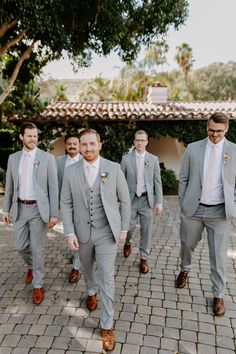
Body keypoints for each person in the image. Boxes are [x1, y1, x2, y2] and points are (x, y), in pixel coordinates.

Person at [60, 128, 131, 352]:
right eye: (84, 145)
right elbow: (66, 203)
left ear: (100, 144)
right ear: (79, 147)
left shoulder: (114, 168)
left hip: (107, 232)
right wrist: (69, 232)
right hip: (82, 233)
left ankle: (107, 325)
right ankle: (90, 292)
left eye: (92, 144)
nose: (88, 149)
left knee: (107, 277)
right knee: (88, 271)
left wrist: (124, 229)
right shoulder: (71, 171)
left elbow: (125, 201)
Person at [177, 112, 236, 316]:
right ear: (206, 127)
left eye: (219, 131)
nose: (214, 135)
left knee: (218, 256)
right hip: (193, 209)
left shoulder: (234, 151)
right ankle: (184, 269)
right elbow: (183, 178)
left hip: (219, 211)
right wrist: (183, 203)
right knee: (187, 244)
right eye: (211, 130)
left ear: (226, 129)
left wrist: (233, 205)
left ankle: (218, 294)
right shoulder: (194, 148)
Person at [2, 122, 59, 305]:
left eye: (35, 136)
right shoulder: (13, 158)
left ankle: (37, 285)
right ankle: (32, 265)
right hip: (19, 207)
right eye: (29, 136)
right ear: (21, 137)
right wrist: (5, 210)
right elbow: (9, 186)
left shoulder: (47, 158)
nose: (33, 139)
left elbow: (53, 188)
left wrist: (53, 214)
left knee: (37, 247)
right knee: (19, 245)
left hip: (38, 210)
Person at [121, 130, 163, 273]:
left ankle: (144, 258)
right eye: (137, 140)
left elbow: (157, 182)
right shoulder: (126, 159)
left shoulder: (153, 159)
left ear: (147, 142)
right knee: (128, 227)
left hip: (147, 200)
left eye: (142, 140)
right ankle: (128, 242)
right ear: (134, 141)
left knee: (146, 230)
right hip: (130, 200)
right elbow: (121, 182)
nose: (139, 143)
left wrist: (159, 202)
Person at [56, 133, 82, 283]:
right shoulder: (59, 162)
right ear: (66, 146)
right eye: (69, 143)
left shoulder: (85, 161)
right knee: (70, 233)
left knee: (79, 234)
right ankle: (77, 255)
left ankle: (76, 267)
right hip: (65, 206)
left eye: (75, 143)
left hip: (82, 206)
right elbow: (54, 185)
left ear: (79, 145)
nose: (72, 146)